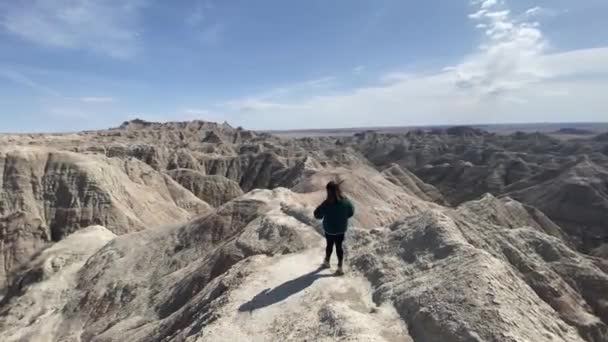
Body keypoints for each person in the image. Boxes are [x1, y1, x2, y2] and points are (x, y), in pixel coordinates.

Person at [314, 181, 355, 275]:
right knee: (339, 247)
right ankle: (340, 268)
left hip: (329, 229)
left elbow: (317, 215)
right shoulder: (346, 201)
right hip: (341, 229)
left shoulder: (326, 203)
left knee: (329, 245)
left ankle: (327, 262)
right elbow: (351, 212)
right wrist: (342, 217)